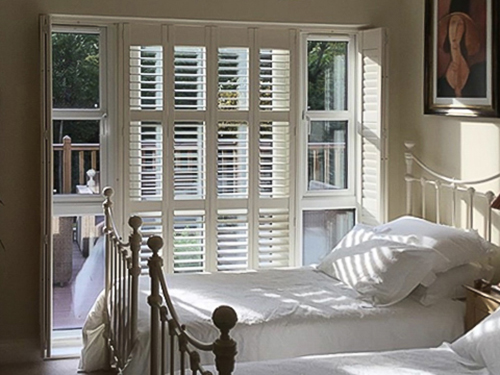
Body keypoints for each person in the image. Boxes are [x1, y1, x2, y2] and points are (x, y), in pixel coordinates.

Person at [437, 0, 485, 98]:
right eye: (452, 24)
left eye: (459, 24)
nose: (454, 30)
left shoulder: (479, 72)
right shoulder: (439, 82)